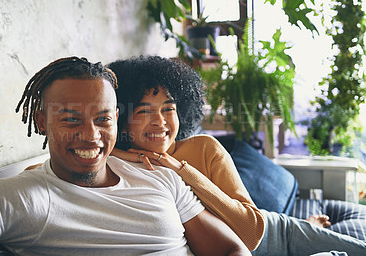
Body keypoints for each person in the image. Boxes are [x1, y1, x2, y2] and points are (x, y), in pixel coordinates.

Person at [0, 56, 251, 255]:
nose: (90, 135)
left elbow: (233, 247)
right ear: (42, 122)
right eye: (71, 120)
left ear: (116, 119)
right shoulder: (23, 197)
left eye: (102, 119)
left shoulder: (160, 175)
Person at [107, 55, 366, 255]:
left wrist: (180, 168)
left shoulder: (204, 148)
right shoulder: (119, 162)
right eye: (143, 112)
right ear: (122, 118)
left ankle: (309, 227)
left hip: (276, 235)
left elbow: (252, 232)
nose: (159, 122)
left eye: (168, 108)